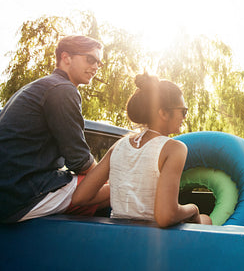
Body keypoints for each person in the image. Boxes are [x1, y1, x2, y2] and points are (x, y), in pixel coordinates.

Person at [71, 73, 212, 227]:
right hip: (152, 240)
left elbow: (80, 197)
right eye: (183, 111)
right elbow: (165, 217)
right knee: (206, 219)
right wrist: (194, 209)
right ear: (163, 113)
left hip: (115, 234)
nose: (184, 117)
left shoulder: (119, 145)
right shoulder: (174, 148)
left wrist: (126, 185)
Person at [0, 35, 106, 223]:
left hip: (11, 189)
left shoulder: (38, 86)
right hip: (20, 193)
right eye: (90, 59)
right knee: (122, 189)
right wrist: (106, 179)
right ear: (66, 58)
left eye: (99, 62)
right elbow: (80, 161)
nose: (96, 66)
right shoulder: (62, 90)